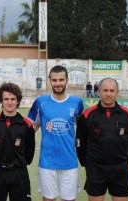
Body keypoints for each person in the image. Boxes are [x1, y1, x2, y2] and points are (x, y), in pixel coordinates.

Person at [76, 78, 128, 201]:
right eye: (105, 90)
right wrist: (86, 163)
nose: (108, 94)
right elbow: (79, 141)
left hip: (120, 169)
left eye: (112, 90)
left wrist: (124, 161)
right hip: (95, 168)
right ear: (99, 92)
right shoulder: (87, 115)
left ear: (117, 92)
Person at [28, 65, 84, 201]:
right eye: (54, 80)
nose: (58, 83)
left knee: (69, 199)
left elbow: (82, 127)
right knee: (48, 199)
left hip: (69, 161)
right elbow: (32, 127)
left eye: (61, 80)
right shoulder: (41, 102)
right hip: (47, 161)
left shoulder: (77, 102)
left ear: (67, 80)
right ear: (49, 81)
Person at [0, 82, 35, 201]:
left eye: (13, 99)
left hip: (19, 173)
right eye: (6, 99)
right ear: (1, 101)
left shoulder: (26, 124)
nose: (9, 102)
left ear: (18, 101)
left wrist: (21, 163)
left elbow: (30, 149)